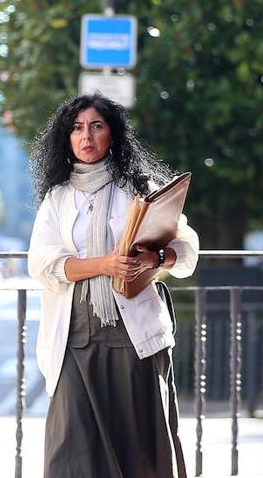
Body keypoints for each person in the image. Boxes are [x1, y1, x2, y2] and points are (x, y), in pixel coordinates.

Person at [27, 93, 199, 478]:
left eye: (96, 126)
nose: (86, 135)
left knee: (139, 452)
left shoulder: (140, 188)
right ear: (67, 138)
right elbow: (42, 265)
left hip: (134, 337)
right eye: (77, 127)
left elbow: (186, 250)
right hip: (74, 338)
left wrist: (154, 259)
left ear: (113, 135)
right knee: (69, 454)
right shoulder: (57, 198)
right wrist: (104, 264)